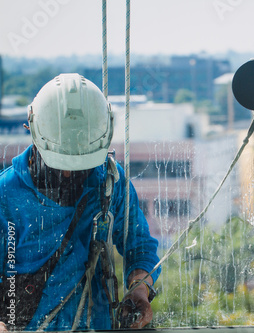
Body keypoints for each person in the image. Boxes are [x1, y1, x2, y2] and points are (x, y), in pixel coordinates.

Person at [0, 74, 161, 331]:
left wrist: (139, 289)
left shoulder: (110, 182)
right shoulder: (6, 194)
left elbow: (139, 246)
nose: (68, 174)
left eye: (81, 163)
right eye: (59, 164)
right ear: (33, 134)